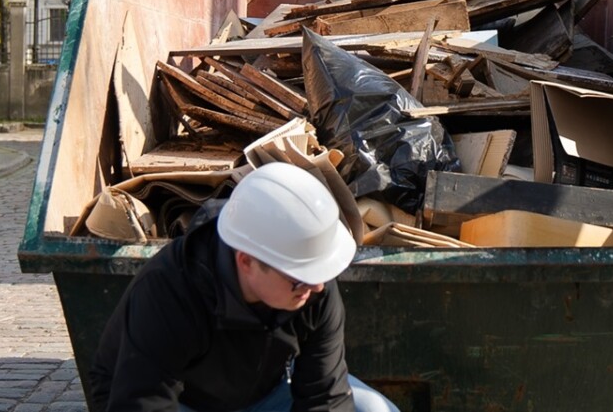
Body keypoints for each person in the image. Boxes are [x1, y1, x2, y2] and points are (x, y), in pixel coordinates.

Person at [89, 161, 398, 412]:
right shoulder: (169, 291)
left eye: (320, 272)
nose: (317, 287)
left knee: (372, 409)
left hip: (265, 397)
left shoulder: (313, 286)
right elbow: (141, 403)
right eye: (299, 277)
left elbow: (325, 397)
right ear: (247, 261)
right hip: (174, 403)